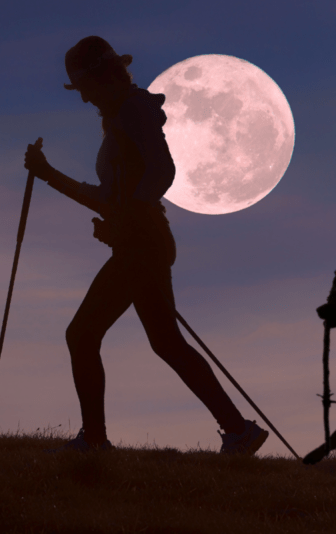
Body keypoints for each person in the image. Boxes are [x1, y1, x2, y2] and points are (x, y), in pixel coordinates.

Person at [24, 36, 269, 455]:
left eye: (83, 89)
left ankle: (96, 442)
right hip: (143, 241)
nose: (83, 99)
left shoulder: (134, 110)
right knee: (166, 343)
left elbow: (162, 170)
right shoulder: (123, 113)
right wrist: (50, 176)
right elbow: (109, 195)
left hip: (143, 243)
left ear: (103, 79)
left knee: (82, 334)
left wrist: (129, 218)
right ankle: (238, 431)